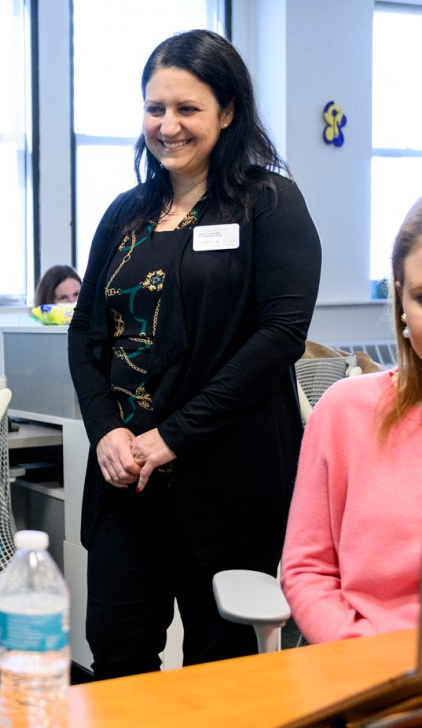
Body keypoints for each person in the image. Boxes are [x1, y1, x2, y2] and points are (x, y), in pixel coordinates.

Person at [67, 30, 321, 679]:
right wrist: (108, 434)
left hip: (229, 481)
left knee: (223, 671)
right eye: (156, 108)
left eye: (188, 109)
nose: (168, 125)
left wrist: (170, 437)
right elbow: (87, 332)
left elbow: (280, 336)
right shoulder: (127, 213)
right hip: (127, 482)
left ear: (227, 110)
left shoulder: (268, 203)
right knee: (118, 663)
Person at [281, 197, 422, 644]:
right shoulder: (346, 412)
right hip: (371, 683)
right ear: (400, 302)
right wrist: (358, 660)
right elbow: (307, 569)